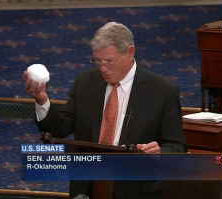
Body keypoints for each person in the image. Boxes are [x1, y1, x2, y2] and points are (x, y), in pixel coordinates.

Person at [23, 22, 186, 199]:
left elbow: (177, 147)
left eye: (109, 61)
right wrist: (41, 99)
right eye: (97, 61)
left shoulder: (162, 91)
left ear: (130, 52)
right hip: (87, 189)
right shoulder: (85, 82)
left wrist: (159, 153)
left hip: (136, 191)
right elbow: (57, 131)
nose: (102, 68)